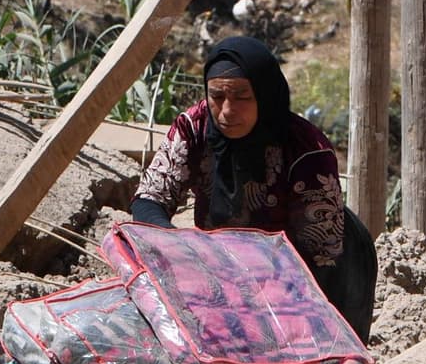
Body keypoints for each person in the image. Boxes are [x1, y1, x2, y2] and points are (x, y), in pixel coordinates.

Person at [131, 35, 376, 338]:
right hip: (226, 263)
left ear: (265, 95)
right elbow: (150, 196)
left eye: (242, 97)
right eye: (217, 96)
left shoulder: (305, 150)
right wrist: (178, 249)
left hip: (323, 265)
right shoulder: (194, 128)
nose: (227, 111)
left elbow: (321, 255)